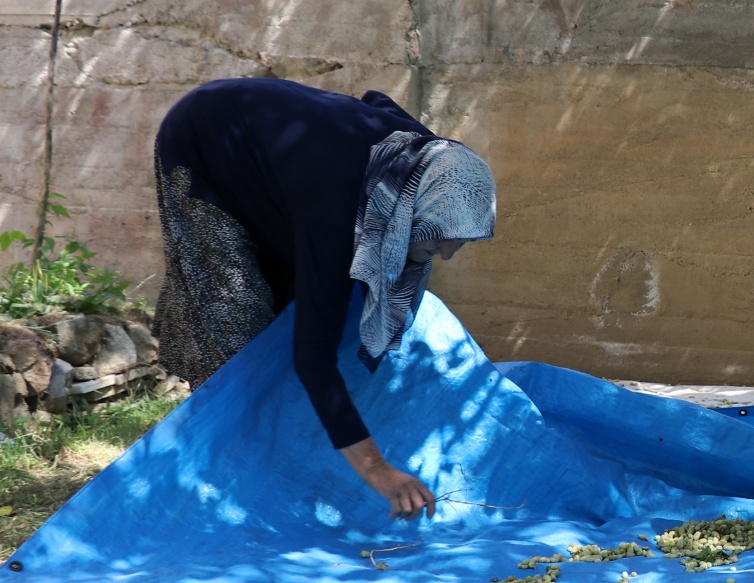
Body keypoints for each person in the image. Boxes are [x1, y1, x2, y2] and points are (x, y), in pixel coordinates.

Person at [151, 77, 497, 520]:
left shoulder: (422, 160)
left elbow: (378, 100)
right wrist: (378, 471)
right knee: (237, 322)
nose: (446, 253)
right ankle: (225, 466)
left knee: (299, 297)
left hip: (288, 159)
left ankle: (295, 439)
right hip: (205, 138)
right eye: (438, 238)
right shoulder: (336, 214)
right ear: (410, 211)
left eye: (459, 242)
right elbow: (313, 357)